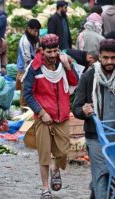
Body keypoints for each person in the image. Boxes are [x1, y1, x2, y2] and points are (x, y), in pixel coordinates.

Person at [22, 34, 78, 198]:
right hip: (44, 117)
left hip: (63, 116)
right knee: (44, 154)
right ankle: (45, 188)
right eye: (49, 52)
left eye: (55, 51)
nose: (53, 55)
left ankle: (56, 168)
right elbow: (28, 94)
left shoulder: (63, 62)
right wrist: (41, 113)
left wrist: (68, 67)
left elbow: (75, 82)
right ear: (42, 50)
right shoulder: (34, 68)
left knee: (62, 152)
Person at [73, 39, 115, 199]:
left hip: (114, 137)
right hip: (96, 137)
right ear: (100, 56)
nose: (109, 62)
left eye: (113, 58)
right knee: (102, 175)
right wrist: (84, 110)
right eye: (106, 58)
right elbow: (76, 107)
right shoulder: (89, 76)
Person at [16, 19, 41, 105]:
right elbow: (27, 59)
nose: (36, 33)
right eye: (35, 31)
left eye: (37, 31)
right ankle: (23, 108)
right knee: (25, 91)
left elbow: (37, 50)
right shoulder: (24, 41)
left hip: (33, 66)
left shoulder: (34, 37)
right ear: (28, 29)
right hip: (24, 68)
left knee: (32, 89)